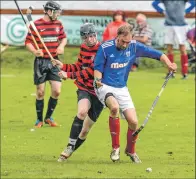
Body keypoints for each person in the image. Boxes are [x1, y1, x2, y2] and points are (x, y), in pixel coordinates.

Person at [93, 24, 177, 163]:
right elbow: (97, 69)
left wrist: (169, 64)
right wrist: (97, 80)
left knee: (133, 122)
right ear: (117, 36)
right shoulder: (105, 48)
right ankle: (115, 148)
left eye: (128, 41)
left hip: (122, 88)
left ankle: (130, 150)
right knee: (114, 108)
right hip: (104, 85)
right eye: (122, 41)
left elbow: (158, 54)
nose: (125, 45)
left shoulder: (134, 46)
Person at [54, 23, 104, 162]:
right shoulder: (83, 48)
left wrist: (68, 75)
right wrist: (62, 66)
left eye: (92, 36)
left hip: (99, 92)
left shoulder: (102, 50)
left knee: (85, 131)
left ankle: (70, 150)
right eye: (87, 37)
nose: (90, 39)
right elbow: (79, 66)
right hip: (84, 88)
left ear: (95, 35)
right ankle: (69, 146)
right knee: (81, 112)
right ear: (83, 38)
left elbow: (91, 71)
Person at [25, 1, 67, 128]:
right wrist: (34, 51)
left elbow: (64, 38)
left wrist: (61, 46)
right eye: (56, 12)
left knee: (57, 91)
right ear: (48, 11)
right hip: (41, 62)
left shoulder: (58, 24)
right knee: (40, 92)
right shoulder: (35, 24)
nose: (58, 14)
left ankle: (48, 117)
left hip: (54, 60)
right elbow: (28, 41)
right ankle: (39, 120)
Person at [152, 0, 195, 79]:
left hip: (181, 25)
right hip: (169, 25)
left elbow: (193, 2)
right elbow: (154, 3)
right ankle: (170, 73)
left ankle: (185, 73)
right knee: (169, 49)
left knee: (182, 49)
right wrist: (162, 11)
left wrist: (186, 11)